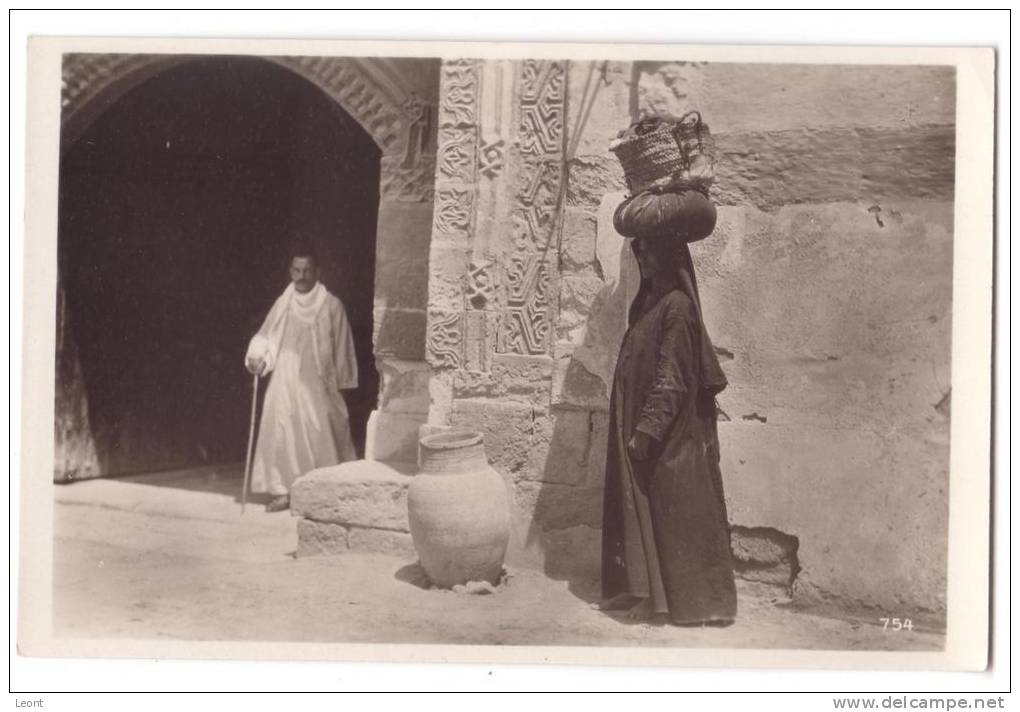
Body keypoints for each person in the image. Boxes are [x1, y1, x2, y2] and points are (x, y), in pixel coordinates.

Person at [601, 234, 737, 625]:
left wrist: (649, 429)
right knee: (642, 510)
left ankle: (675, 604)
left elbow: (672, 378)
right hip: (644, 425)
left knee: (671, 514)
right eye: (637, 249)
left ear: (669, 252)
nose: (642, 255)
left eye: (649, 248)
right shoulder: (647, 305)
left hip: (671, 435)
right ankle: (644, 593)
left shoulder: (676, 308)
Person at [244, 246, 358, 512]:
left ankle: (321, 491)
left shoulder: (331, 305)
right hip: (284, 377)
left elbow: (343, 346)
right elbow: (266, 335)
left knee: (318, 431)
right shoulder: (283, 303)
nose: (302, 275)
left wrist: (341, 384)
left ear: (317, 272)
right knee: (282, 432)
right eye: (297, 270)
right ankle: (283, 491)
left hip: (317, 381)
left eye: (307, 270)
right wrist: (257, 356)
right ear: (290, 271)